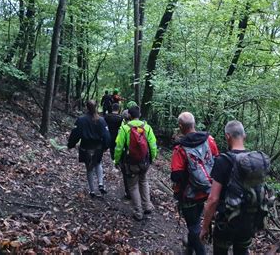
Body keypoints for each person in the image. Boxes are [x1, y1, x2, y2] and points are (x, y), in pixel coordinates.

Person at [200, 120, 271, 255]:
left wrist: (205, 227)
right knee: (242, 251)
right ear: (244, 136)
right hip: (248, 223)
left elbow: (213, 199)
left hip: (226, 222)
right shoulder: (254, 163)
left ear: (227, 136)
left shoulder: (222, 160)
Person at [170, 112, 219, 255]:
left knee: (193, 226)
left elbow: (176, 175)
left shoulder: (180, 148)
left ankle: (200, 251)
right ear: (194, 123)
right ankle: (189, 249)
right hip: (209, 190)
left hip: (190, 195)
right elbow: (217, 159)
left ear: (180, 126)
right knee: (195, 225)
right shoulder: (209, 139)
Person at [114, 106, 158, 220]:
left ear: (129, 115)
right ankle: (147, 205)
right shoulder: (147, 128)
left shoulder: (124, 129)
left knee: (133, 186)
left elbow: (118, 147)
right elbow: (153, 146)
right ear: (139, 115)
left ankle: (138, 212)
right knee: (143, 181)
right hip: (144, 162)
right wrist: (152, 158)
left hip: (131, 163)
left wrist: (117, 160)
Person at [68, 100, 111, 197]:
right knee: (98, 163)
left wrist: (71, 144)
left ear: (87, 107)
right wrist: (106, 146)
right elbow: (106, 135)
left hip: (86, 148)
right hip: (98, 148)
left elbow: (75, 134)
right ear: (96, 107)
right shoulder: (101, 120)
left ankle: (92, 190)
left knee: (89, 168)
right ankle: (100, 183)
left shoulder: (81, 120)